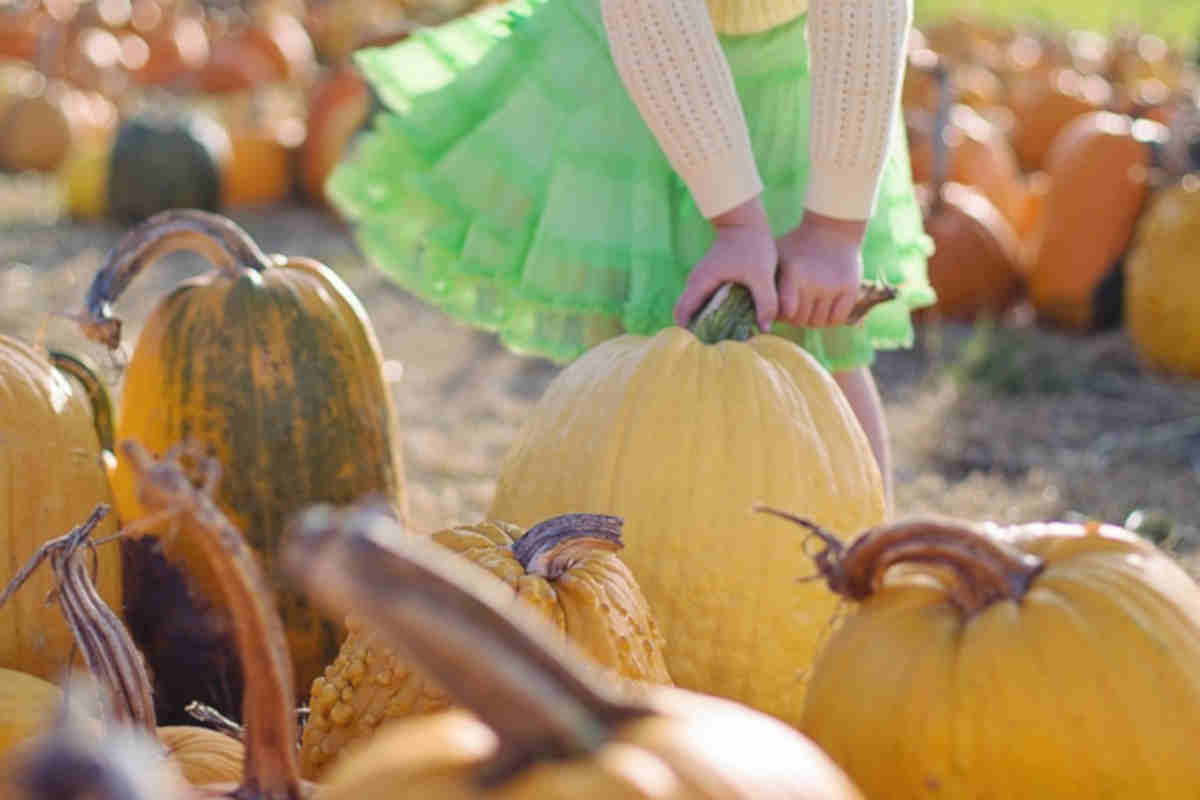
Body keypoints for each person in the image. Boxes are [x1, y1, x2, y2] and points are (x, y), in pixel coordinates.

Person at [327, 0, 936, 510]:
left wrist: (834, 228)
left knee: (819, 338)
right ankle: (620, 577)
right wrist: (737, 222)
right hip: (640, 61)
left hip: (799, 67)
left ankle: (858, 568)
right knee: (634, 340)